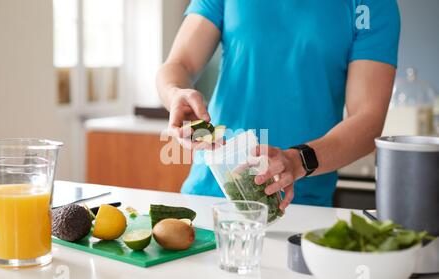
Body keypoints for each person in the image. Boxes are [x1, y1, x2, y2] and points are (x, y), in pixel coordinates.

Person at [156, 0, 400, 210]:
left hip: (300, 209)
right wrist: (175, 92)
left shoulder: (371, 6)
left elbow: (368, 119)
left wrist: (297, 161)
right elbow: (180, 64)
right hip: (209, 198)